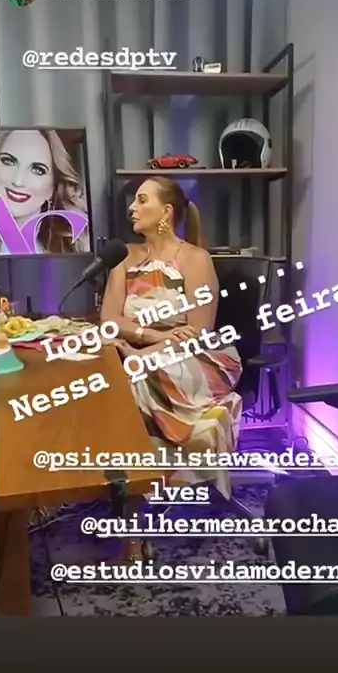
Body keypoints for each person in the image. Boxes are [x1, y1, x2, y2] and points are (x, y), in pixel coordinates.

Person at [100, 176, 243, 562]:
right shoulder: (124, 259)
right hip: (146, 355)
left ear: (166, 212)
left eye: (141, 200)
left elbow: (198, 333)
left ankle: (130, 523)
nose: (131, 208)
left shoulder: (195, 259)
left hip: (199, 360)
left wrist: (141, 351)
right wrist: (148, 338)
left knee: (127, 381)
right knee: (115, 377)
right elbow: (109, 322)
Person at [0, 129, 90, 254]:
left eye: (37, 170)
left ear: (53, 187)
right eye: (9, 161)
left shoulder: (77, 245)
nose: (18, 181)